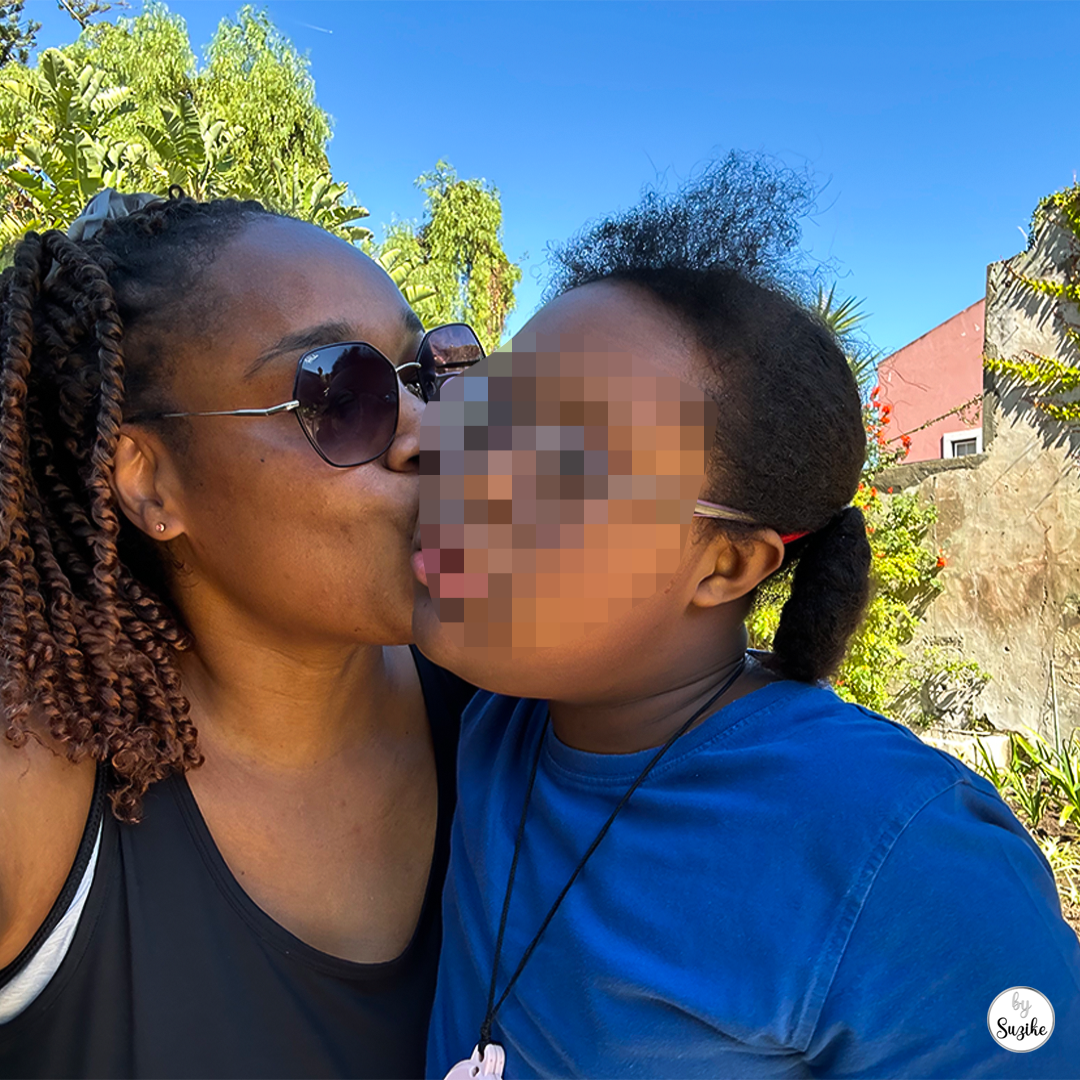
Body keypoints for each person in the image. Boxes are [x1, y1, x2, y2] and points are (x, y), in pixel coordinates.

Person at [414, 164, 1080, 1078]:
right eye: (474, 411)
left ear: (725, 563)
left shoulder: (904, 858)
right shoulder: (487, 717)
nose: (449, 465)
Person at [0, 188, 481, 1078]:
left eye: (428, 375)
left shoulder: (516, 710)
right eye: (343, 393)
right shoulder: (37, 778)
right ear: (149, 481)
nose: (436, 435)